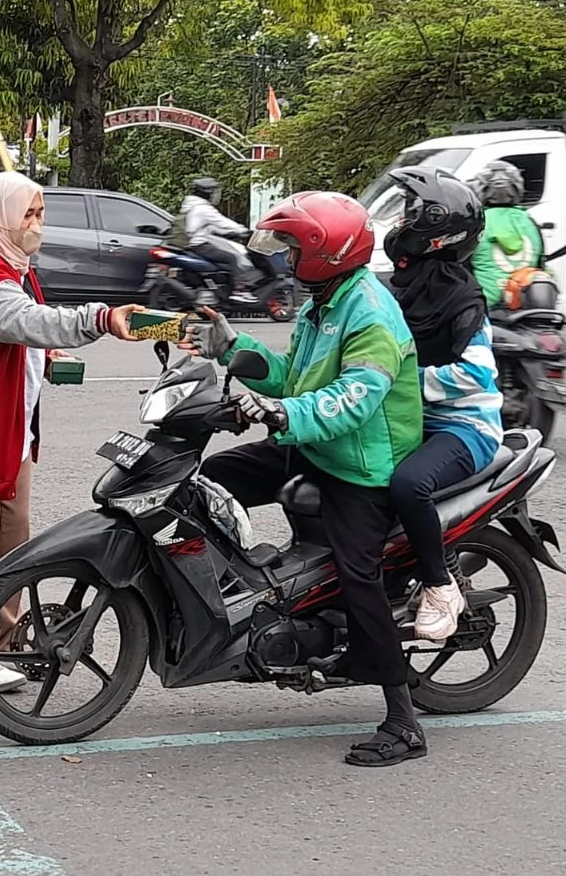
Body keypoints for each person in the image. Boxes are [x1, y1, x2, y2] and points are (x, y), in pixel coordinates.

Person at [183, 191, 427, 767]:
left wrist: (282, 415)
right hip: (316, 443)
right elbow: (295, 376)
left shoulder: (369, 312)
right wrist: (232, 347)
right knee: (211, 479)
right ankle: (250, 600)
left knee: (357, 573)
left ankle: (403, 719)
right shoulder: (324, 301)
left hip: (362, 463)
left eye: (294, 248)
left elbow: (355, 400)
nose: (287, 259)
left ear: (326, 251)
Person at [0, 170, 142, 692]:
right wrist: (101, 319)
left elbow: (23, 330)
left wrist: (41, 350)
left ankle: (4, 641)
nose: (38, 225)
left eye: (41, 214)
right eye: (29, 215)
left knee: (12, 538)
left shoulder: (10, 263)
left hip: (6, 426)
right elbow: (22, 321)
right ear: (0, 216)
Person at [384, 167, 503, 641]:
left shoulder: (461, 296)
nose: (400, 225)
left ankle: (439, 583)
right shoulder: (400, 288)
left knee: (408, 485)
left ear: (436, 232)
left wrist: (400, 384)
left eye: (410, 215)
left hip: (465, 428)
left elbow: (475, 373)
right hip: (409, 420)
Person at [466, 160, 546, 307]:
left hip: (485, 306)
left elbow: (463, 266)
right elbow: (541, 262)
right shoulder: (530, 222)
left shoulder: (476, 224)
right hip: (526, 302)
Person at [180, 177, 255, 304]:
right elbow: (221, 222)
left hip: (191, 244)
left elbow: (212, 226)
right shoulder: (203, 208)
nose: (215, 195)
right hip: (199, 245)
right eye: (213, 192)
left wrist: (229, 232)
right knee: (231, 258)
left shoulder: (191, 206)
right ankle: (239, 291)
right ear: (206, 192)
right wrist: (242, 230)